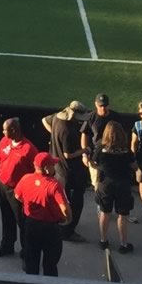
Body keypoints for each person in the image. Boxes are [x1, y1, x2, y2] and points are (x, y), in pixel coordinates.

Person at [14, 151, 69, 284]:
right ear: (46, 168)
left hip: (31, 225)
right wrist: (66, 219)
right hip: (50, 229)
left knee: (32, 260)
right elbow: (65, 209)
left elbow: (17, 195)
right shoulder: (54, 185)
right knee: (50, 263)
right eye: (52, 165)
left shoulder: (26, 179)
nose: (54, 167)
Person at [0, 117, 35, 259]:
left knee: (22, 222)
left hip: (17, 192)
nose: (2, 132)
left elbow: (36, 172)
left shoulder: (28, 149)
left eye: (4, 129)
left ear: (13, 130)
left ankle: (27, 252)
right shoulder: (4, 141)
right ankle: (7, 245)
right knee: (6, 217)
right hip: (2, 185)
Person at [43, 101, 90, 239]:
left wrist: (53, 135)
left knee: (62, 197)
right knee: (74, 200)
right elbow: (68, 155)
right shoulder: (68, 130)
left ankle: (61, 222)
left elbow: (44, 120)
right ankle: (68, 230)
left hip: (57, 167)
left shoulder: (57, 117)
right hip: (68, 170)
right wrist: (85, 150)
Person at [90, 120, 137, 254]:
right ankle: (123, 244)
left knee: (105, 212)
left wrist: (100, 168)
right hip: (123, 184)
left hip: (105, 183)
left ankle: (103, 241)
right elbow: (134, 166)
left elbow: (93, 162)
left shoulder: (100, 147)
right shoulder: (126, 150)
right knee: (122, 214)